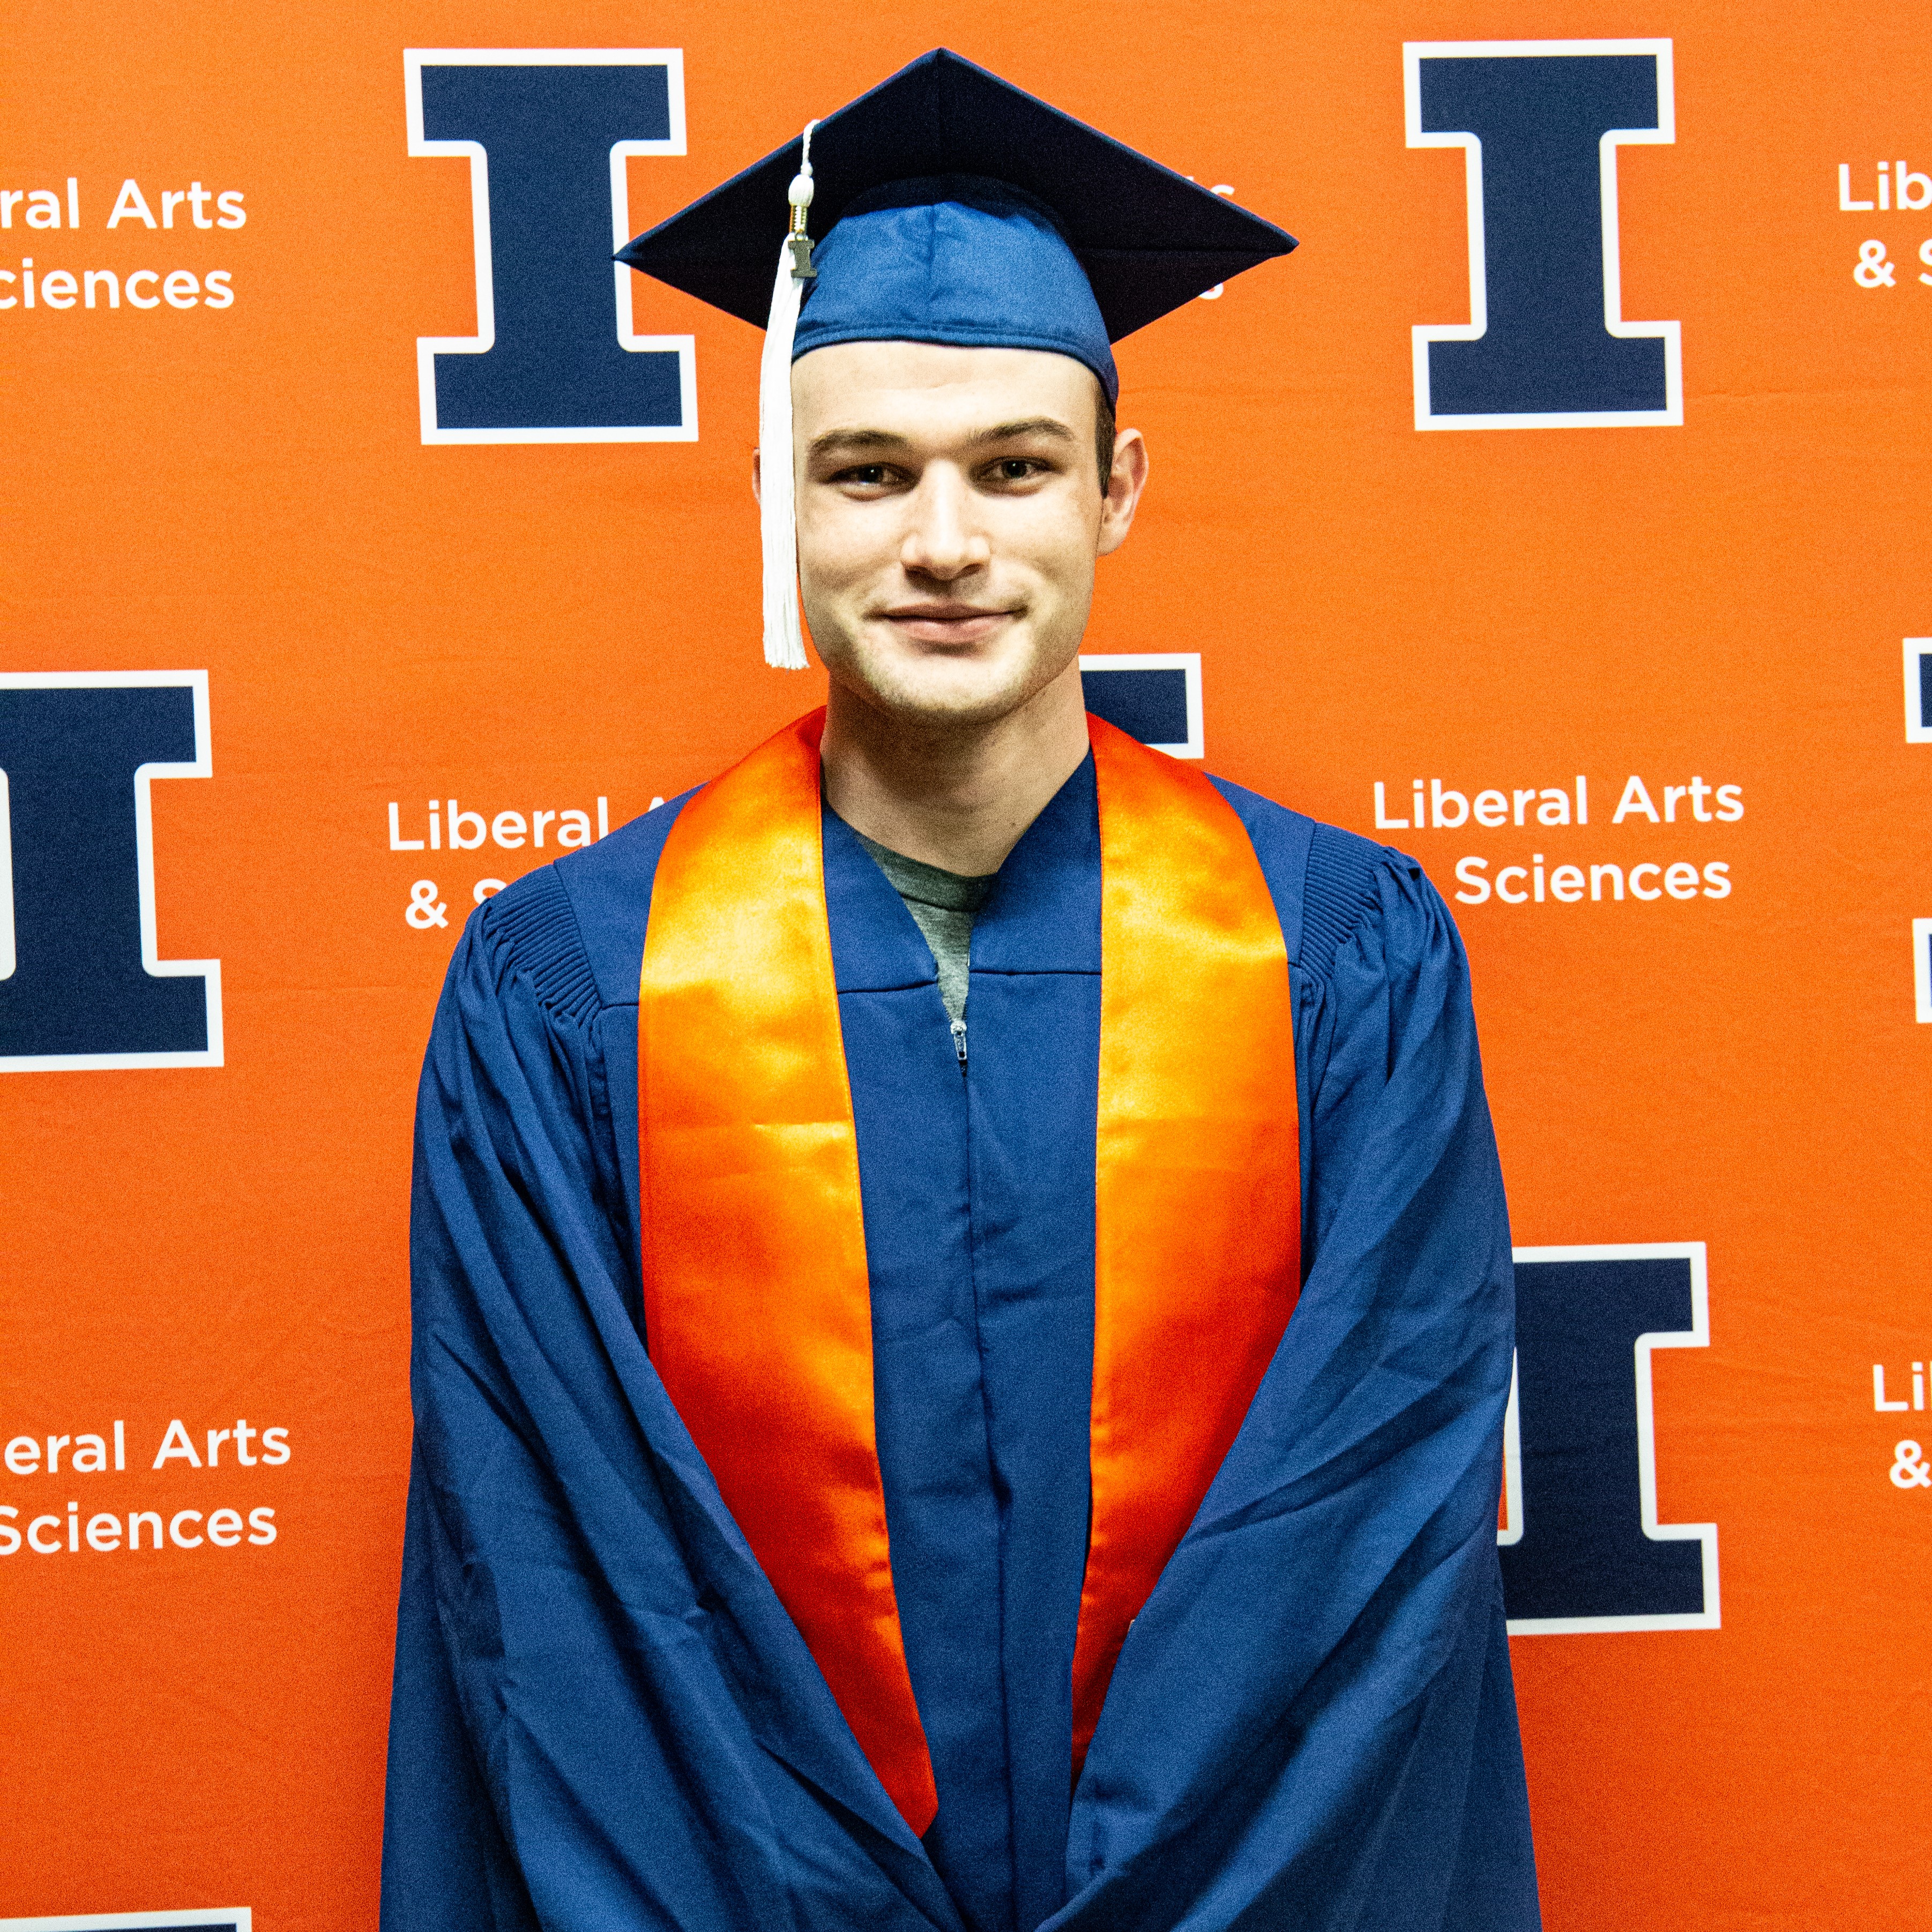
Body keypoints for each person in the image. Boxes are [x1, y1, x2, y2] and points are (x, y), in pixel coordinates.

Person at [382, 48, 1540, 1932]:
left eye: (1014, 467)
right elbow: (570, 1568)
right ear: (779, 495)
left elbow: (1362, 1536)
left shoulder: (1340, 955)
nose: (942, 541)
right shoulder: (566, 987)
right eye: (867, 473)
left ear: (1118, 490)